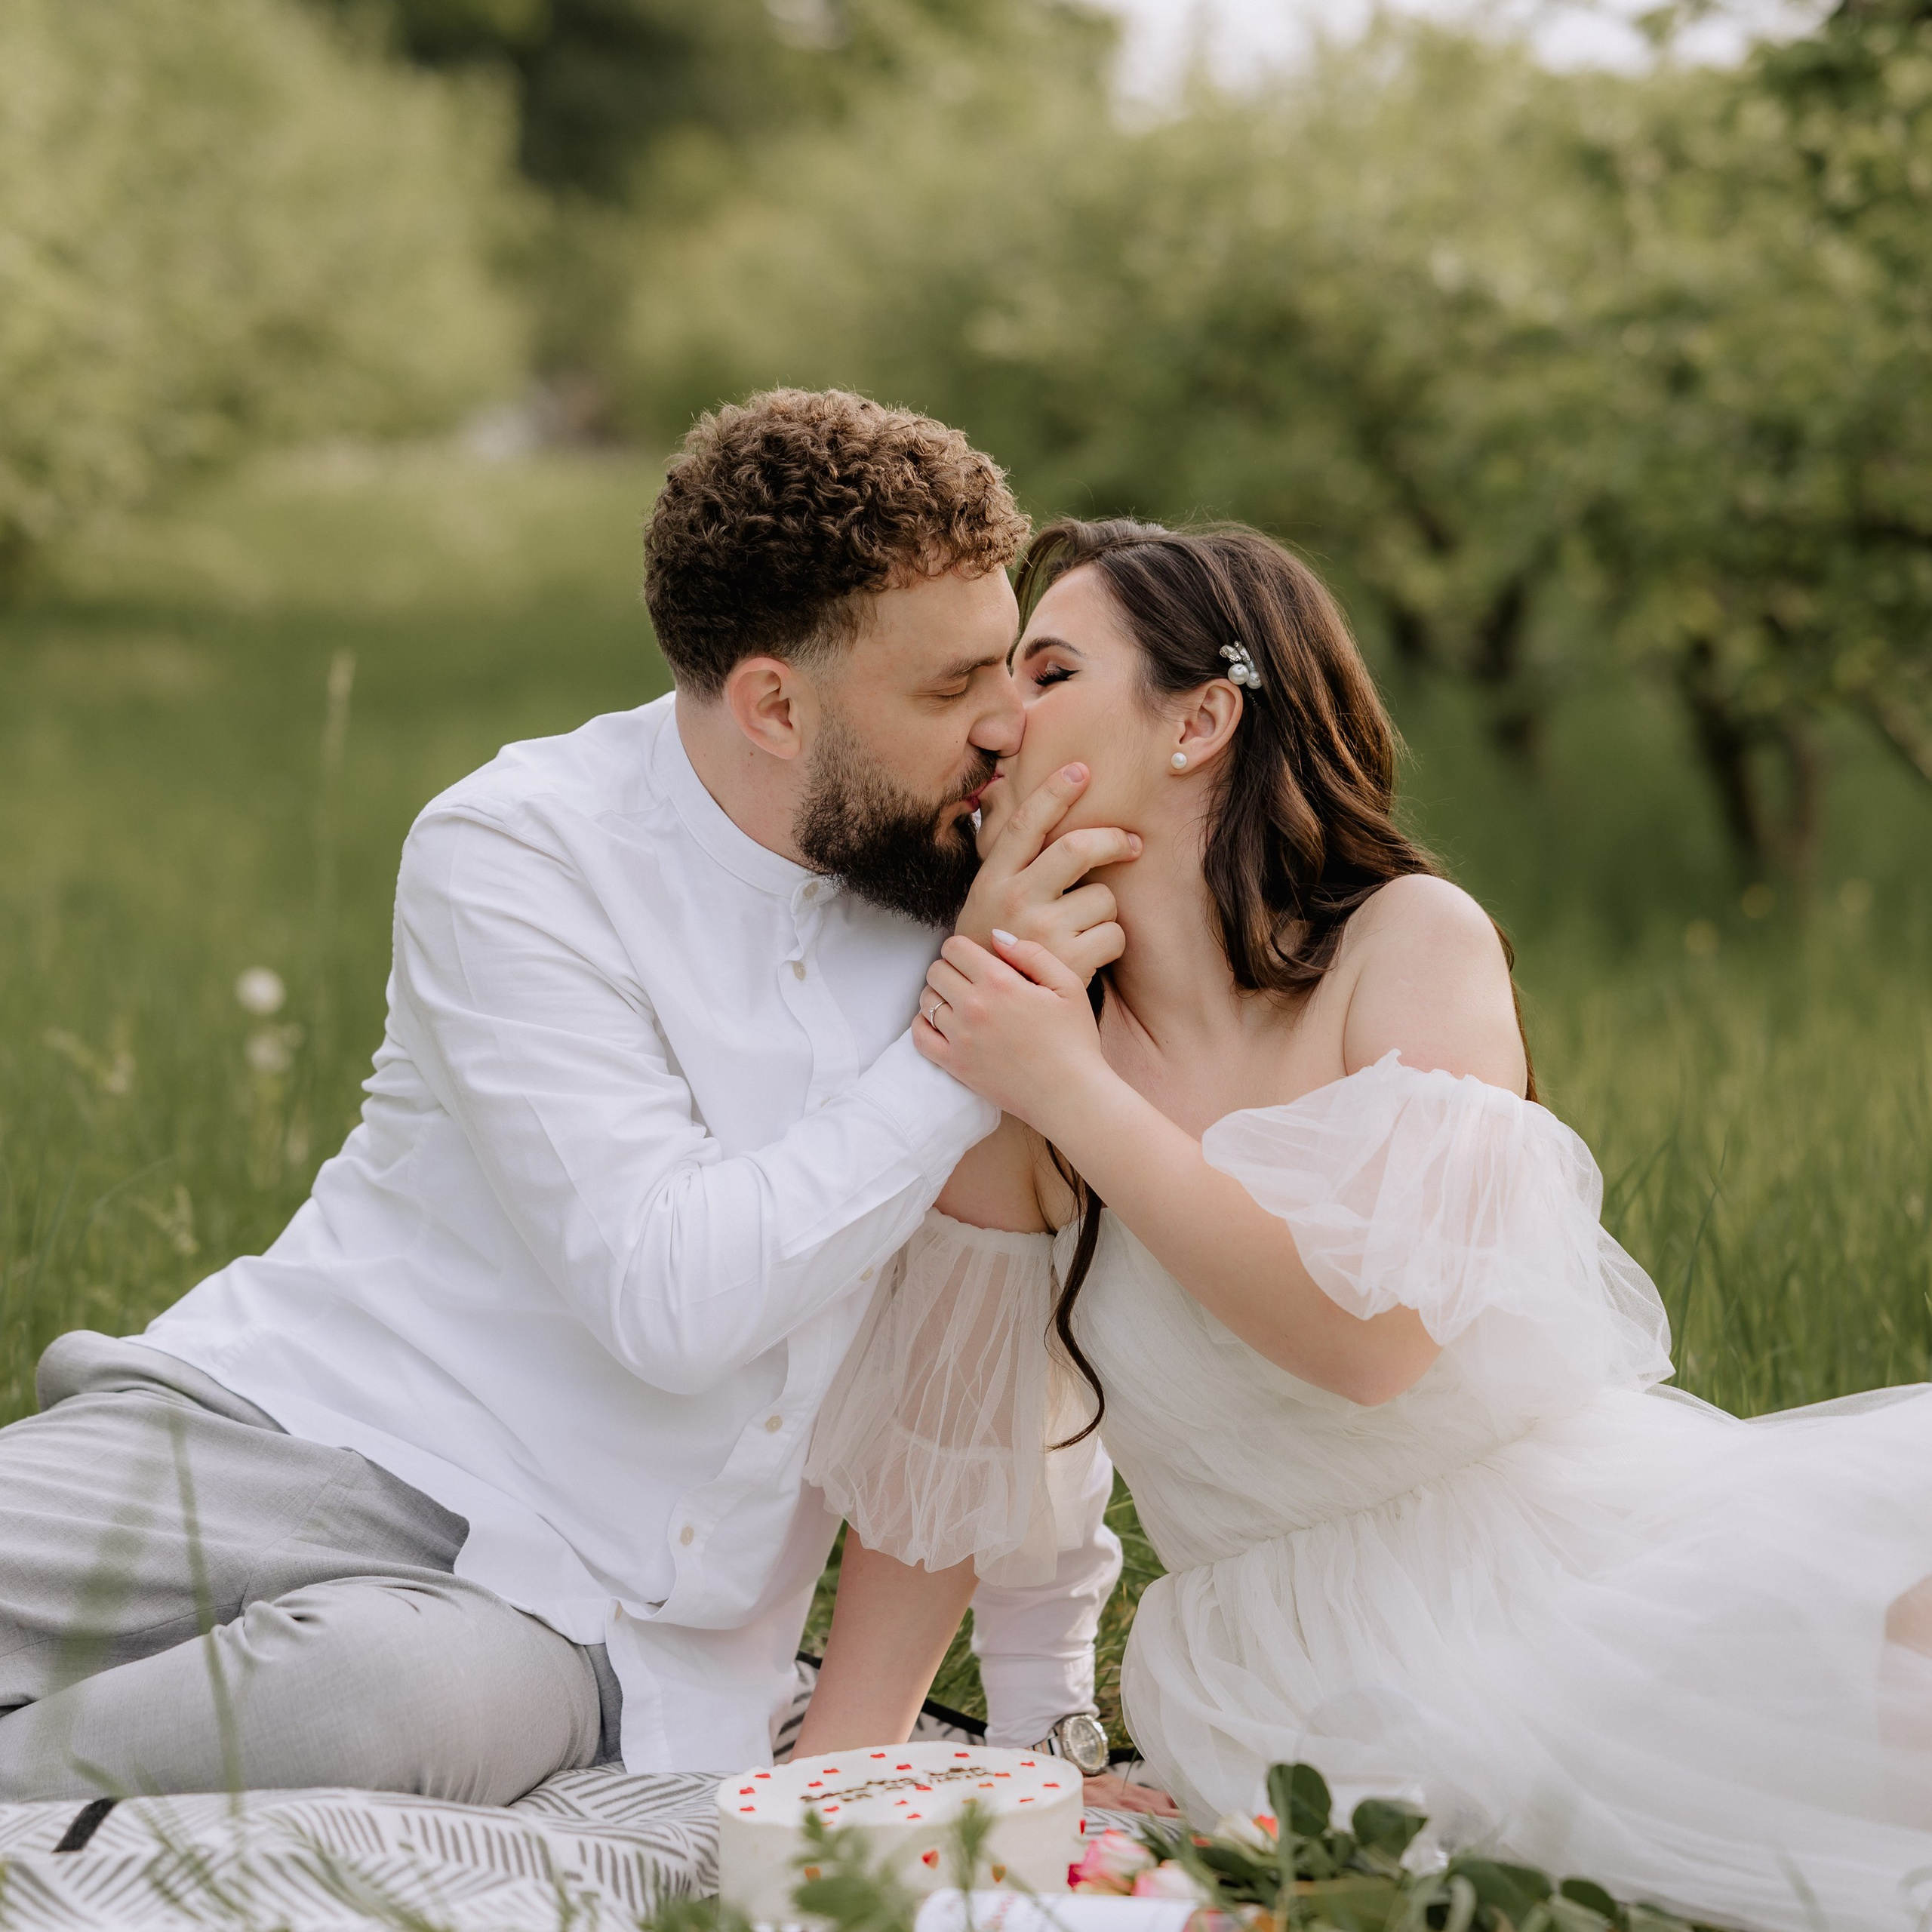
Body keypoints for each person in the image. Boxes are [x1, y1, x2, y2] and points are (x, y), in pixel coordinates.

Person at [0, 390, 1133, 1806]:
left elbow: (1006, 1362)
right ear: (775, 703)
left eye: (1010, 671)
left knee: (361, 1707)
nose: (1003, 732)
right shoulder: (523, 847)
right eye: (947, 689)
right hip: (274, 1434)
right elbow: (674, 1292)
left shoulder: (994, 907)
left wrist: (1049, 1722)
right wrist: (967, 1030)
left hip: (576, 1618)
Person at [804, 515, 1932, 1932]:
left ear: (1202, 718)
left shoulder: (1406, 946)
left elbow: (1373, 1338)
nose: (993, 721)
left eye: (1044, 671)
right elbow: (947, 1445)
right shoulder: (1021, 1060)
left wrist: (1070, 1090)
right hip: (1299, 1675)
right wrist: (833, 1770)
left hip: (1582, 1549)